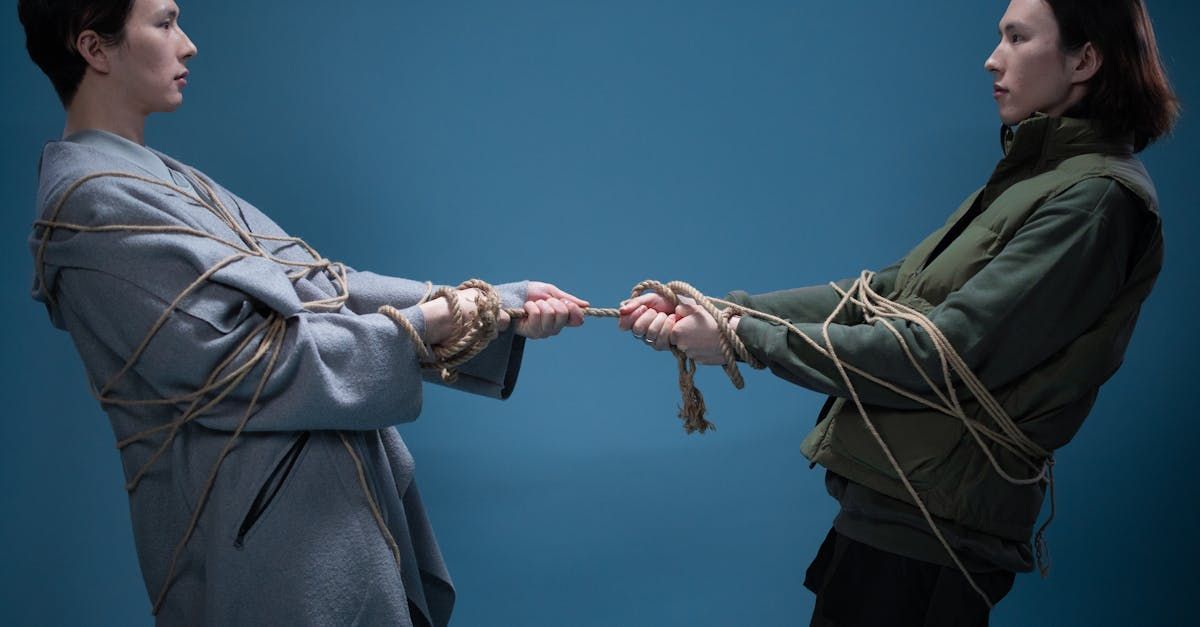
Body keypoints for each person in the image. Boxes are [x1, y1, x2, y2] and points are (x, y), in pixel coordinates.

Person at [19, 0, 589, 624]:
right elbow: (239, 367)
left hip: (311, 523)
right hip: (264, 550)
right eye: (163, 22)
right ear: (94, 49)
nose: (188, 45)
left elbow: (319, 285)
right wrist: (428, 325)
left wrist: (494, 306)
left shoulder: (156, 178)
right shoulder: (91, 204)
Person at [620, 0, 1178, 624]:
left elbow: (942, 353)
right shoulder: (1040, 179)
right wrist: (719, 312)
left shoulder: (1095, 200)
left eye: (1017, 37)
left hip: (931, 536)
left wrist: (740, 339)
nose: (992, 58)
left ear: (1085, 59)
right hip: (898, 512)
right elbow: (880, 296)